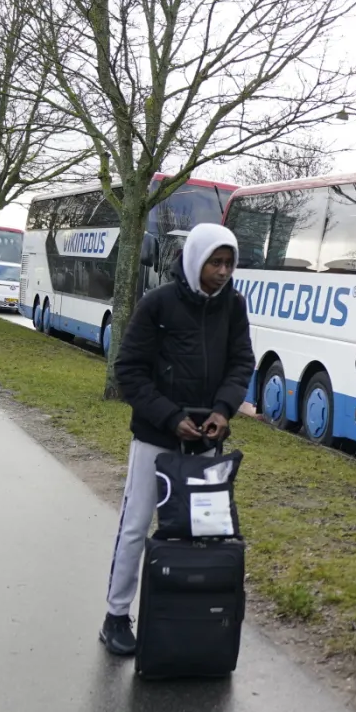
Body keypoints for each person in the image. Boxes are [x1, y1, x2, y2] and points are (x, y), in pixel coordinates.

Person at [100, 223, 255, 655]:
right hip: (155, 438)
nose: (222, 272)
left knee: (201, 532)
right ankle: (116, 616)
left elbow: (241, 363)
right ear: (195, 260)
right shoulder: (157, 304)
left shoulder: (234, 306)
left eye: (229, 263)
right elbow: (129, 370)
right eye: (215, 262)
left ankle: (192, 618)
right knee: (136, 526)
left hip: (206, 442)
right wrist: (170, 418)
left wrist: (222, 410)